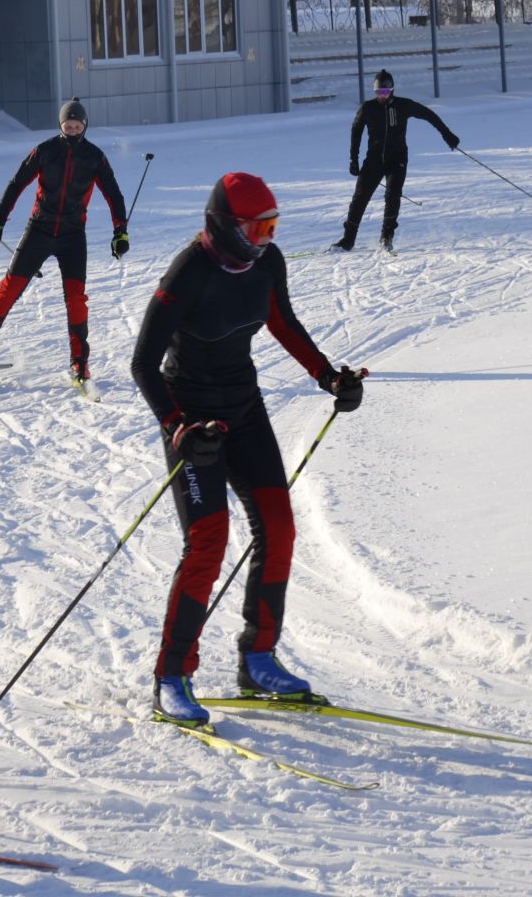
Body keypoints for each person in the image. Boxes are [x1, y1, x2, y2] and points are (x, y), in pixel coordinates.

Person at [130, 173, 365, 723]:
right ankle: (172, 674)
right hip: (192, 417)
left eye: (273, 227)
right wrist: (178, 428)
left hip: (243, 407)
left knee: (279, 527)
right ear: (225, 226)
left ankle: (257, 659)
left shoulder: (266, 262)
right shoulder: (188, 272)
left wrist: (329, 377)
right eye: (257, 228)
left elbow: (282, 321)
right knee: (208, 541)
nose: (264, 240)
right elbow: (143, 364)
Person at [0, 99, 129, 382]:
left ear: (85, 126)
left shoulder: (94, 157)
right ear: (60, 125)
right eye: (68, 125)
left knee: (76, 298)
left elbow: (114, 194)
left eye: (77, 126)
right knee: (9, 288)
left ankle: (79, 362)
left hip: (72, 235)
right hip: (39, 229)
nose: (73, 130)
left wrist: (120, 232)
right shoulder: (45, 151)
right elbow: (17, 184)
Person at [334, 69, 459, 252]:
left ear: (392, 90)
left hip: (397, 159)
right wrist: (353, 158)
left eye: (385, 92)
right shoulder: (367, 108)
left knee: (393, 196)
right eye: (378, 92)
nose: (382, 96)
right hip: (374, 160)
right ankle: (348, 239)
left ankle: (387, 236)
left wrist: (447, 134)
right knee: (360, 198)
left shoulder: (403, 106)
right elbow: (356, 132)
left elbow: (428, 115)